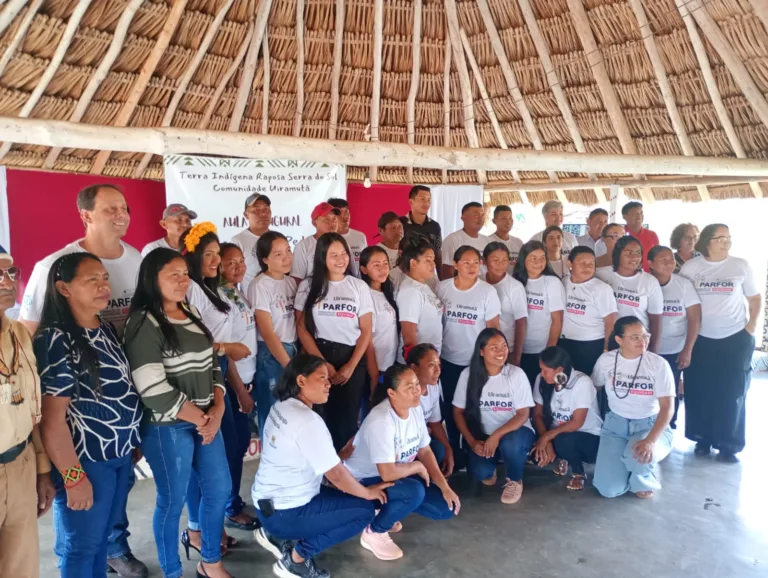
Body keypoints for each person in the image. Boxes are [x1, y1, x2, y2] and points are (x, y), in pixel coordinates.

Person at [21, 184, 146, 578]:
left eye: (104, 278)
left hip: (117, 455)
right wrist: (72, 479)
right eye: (92, 280)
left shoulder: (102, 328)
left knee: (97, 544)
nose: (103, 285)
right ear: (63, 288)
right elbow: (53, 420)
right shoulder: (57, 339)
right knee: (80, 548)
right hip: (85, 459)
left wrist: (131, 442)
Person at [123, 248, 234, 578]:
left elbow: (213, 364)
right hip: (167, 427)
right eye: (173, 274)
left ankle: (210, 562)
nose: (182, 280)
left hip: (206, 420)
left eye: (185, 273)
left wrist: (219, 406)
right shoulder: (143, 322)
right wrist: (203, 419)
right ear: (151, 279)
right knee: (171, 503)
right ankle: (172, 571)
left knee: (219, 490)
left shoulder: (189, 309)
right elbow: (152, 388)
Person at [251, 354, 391, 578]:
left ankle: (275, 535)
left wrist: (337, 455)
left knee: (346, 496)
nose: (328, 383)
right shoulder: (307, 421)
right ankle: (296, 559)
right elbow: (335, 475)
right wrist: (366, 492)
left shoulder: (282, 406)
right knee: (363, 511)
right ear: (301, 380)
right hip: (286, 512)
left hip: (267, 504)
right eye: (322, 377)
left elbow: (303, 456)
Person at [182, 223, 255, 552]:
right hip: (202, 378)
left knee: (221, 457)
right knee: (206, 460)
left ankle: (209, 528)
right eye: (209, 255)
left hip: (219, 374)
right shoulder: (192, 290)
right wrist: (226, 349)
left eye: (217, 255)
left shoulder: (212, 289)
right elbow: (190, 343)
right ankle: (196, 530)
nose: (214, 261)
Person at [344, 364, 460, 560]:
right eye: (409, 387)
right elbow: (387, 474)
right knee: (413, 491)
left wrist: (444, 486)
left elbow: (425, 450)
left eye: (416, 384)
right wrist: (416, 466)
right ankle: (374, 532)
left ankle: (384, 510)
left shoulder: (414, 408)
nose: (417, 390)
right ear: (392, 393)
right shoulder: (381, 420)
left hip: (393, 474)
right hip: (362, 479)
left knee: (445, 508)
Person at [680, 224, 761, 462]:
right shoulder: (691, 267)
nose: (726, 242)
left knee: (732, 392)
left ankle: (729, 444)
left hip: (735, 338)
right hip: (701, 338)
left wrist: (751, 328)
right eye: (720, 238)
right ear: (707, 242)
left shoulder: (740, 266)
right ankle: (702, 439)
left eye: (728, 238)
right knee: (700, 390)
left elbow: (755, 299)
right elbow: (683, 300)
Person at [20, 184, 142, 340]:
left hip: (130, 359)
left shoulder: (136, 257)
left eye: (124, 209)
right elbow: (28, 329)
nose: (121, 215)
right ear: (86, 216)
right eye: (111, 209)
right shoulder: (53, 266)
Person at [0, 251, 55, 578]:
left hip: (20, 466)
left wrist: (42, 469)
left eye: (11, 272)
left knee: (22, 568)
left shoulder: (20, 334)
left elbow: (32, 407)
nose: (7, 282)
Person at [295, 233, 373, 450]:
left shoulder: (358, 287)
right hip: (318, 356)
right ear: (322, 258)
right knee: (318, 418)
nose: (340, 259)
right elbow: (301, 328)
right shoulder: (309, 286)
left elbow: (366, 331)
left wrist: (350, 366)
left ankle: (343, 475)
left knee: (346, 421)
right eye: (333, 255)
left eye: (344, 254)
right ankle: (321, 475)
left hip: (352, 358)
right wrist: (322, 365)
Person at [591, 316, 675, 498]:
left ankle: (642, 474)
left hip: (650, 426)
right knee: (608, 490)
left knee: (637, 458)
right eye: (635, 337)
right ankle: (631, 466)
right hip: (615, 426)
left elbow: (667, 408)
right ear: (619, 340)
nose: (642, 341)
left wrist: (651, 441)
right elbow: (593, 387)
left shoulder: (659, 364)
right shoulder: (606, 360)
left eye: (645, 336)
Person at [453, 328, 535, 504]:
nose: (501, 351)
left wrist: (497, 436)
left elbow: (523, 414)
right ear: (481, 352)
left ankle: (514, 479)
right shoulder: (468, 375)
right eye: (494, 347)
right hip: (484, 435)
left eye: (504, 346)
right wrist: (472, 441)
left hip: (516, 433)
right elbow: (457, 412)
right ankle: (493, 461)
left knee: (511, 444)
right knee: (481, 473)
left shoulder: (516, 375)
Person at [436, 246, 501, 457]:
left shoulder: (487, 292)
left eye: (476, 262)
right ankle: (455, 451)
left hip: (476, 362)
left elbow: (493, 329)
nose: (472, 267)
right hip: (448, 359)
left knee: (476, 409)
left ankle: (479, 451)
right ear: (455, 264)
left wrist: (491, 361)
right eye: (466, 262)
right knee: (451, 409)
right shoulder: (442, 288)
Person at [218, 243, 260, 531]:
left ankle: (230, 500)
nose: (237, 266)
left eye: (240, 260)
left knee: (241, 443)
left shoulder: (238, 291)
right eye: (229, 262)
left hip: (248, 378)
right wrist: (242, 391)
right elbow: (225, 353)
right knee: (232, 448)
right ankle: (229, 506)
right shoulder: (220, 298)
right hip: (233, 384)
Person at [247, 231, 298, 437]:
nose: (286, 257)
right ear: (265, 259)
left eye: (287, 250)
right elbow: (267, 333)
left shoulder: (290, 282)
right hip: (273, 355)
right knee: (273, 416)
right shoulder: (259, 285)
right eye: (278, 254)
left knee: (291, 413)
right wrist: (289, 365)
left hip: (292, 350)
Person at [531, 346, 602, 491]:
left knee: (564, 440)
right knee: (535, 456)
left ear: (559, 370)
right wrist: (547, 440)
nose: (541, 374)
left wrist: (546, 438)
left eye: (545, 371)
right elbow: (537, 415)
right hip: (556, 434)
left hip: (588, 438)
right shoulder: (541, 379)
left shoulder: (582, 382)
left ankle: (578, 472)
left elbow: (577, 422)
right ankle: (562, 455)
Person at [648, 246, 701, 429]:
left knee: (669, 391)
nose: (669, 262)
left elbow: (695, 319)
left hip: (674, 349)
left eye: (671, 259)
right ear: (650, 264)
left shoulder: (683, 284)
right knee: (647, 390)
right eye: (663, 259)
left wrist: (687, 349)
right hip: (644, 349)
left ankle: (668, 427)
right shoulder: (645, 282)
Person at [596, 236, 663, 352]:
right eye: (629, 253)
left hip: (637, 342)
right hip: (606, 339)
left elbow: (655, 318)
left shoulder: (650, 281)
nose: (634, 257)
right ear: (618, 254)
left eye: (638, 253)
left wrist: (653, 349)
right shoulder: (600, 274)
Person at [513, 241, 565, 387]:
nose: (538, 262)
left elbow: (557, 320)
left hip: (541, 349)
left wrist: (549, 353)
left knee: (540, 391)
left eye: (542, 258)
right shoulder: (516, 281)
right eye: (533, 258)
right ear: (524, 260)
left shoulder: (552, 282)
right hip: (517, 348)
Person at [559, 246, 617, 375]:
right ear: (570, 263)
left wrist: (606, 349)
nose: (587, 267)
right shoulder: (563, 283)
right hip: (564, 344)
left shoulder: (601, 289)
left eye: (591, 264)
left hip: (590, 346)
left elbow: (610, 322)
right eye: (582, 263)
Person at [359, 246, 399, 406]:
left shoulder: (387, 291)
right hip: (374, 368)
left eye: (385, 263)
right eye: (376, 265)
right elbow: (367, 339)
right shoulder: (366, 295)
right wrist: (374, 375)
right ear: (364, 269)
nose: (383, 269)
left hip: (389, 365)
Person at [395, 235, 443, 363]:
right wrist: (416, 367)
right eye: (427, 260)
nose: (433, 264)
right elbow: (409, 335)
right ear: (413, 263)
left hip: (430, 361)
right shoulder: (411, 291)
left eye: (433, 260)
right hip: (419, 364)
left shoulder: (422, 285)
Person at [407, 344, 453, 475]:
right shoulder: (406, 392)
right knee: (436, 450)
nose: (438, 370)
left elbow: (435, 423)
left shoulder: (433, 387)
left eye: (439, 364)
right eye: (431, 365)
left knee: (442, 450)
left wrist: (448, 449)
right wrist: (424, 431)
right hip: (403, 445)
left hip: (419, 440)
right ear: (414, 368)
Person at [484, 242, 527, 366]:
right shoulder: (479, 281)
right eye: (495, 260)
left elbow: (521, 323)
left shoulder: (515, 287)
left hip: (504, 351)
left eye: (504, 260)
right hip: (481, 348)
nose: (500, 264)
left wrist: (516, 356)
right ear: (485, 261)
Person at [290, 202, 340, 282]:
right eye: (326, 219)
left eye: (334, 219)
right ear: (314, 223)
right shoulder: (303, 246)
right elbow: (297, 279)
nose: (332, 223)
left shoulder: (343, 244)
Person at [232, 193, 272, 290]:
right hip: (250, 300)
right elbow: (232, 277)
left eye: (266, 209)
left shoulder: (277, 239)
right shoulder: (238, 240)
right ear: (246, 215)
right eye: (257, 210)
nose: (263, 214)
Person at [440, 202, 489, 279]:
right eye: (476, 215)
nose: (480, 218)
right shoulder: (453, 239)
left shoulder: (487, 240)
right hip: (462, 288)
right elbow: (447, 270)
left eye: (482, 215)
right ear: (463, 218)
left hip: (484, 287)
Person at [400, 185, 442, 273]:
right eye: (422, 199)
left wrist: (441, 278)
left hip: (429, 275)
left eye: (429, 199)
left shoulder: (435, 226)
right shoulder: (400, 224)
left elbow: (438, 254)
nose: (426, 203)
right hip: (405, 274)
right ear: (411, 202)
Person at [328, 198, 367, 277]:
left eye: (346, 212)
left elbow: (366, 262)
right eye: (339, 213)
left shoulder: (360, 236)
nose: (344, 217)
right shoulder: (327, 239)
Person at [622, 201, 659, 271]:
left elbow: (657, 258)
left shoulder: (652, 235)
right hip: (624, 277)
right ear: (624, 216)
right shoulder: (619, 235)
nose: (639, 216)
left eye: (641, 213)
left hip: (648, 277)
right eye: (635, 214)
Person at [487, 205, 523, 272]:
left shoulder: (518, 242)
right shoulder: (488, 241)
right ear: (494, 221)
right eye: (503, 219)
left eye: (510, 218)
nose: (508, 222)